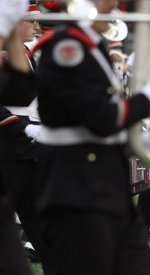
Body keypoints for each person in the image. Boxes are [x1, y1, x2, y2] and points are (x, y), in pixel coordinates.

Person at [34, 0, 150, 274]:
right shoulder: (67, 48)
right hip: (78, 188)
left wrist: (148, 142)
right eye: (107, 2)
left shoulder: (91, 46)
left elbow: (97, 120)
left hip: (105, 184)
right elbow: (101, 117)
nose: (116, 8)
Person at [0, 0, 36, 274]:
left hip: (29, 146)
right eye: (28, 19)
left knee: (41, 223)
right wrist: (20, 127)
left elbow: (26, 93)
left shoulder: (24, 51)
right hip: (9, 145)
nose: (34, 25)